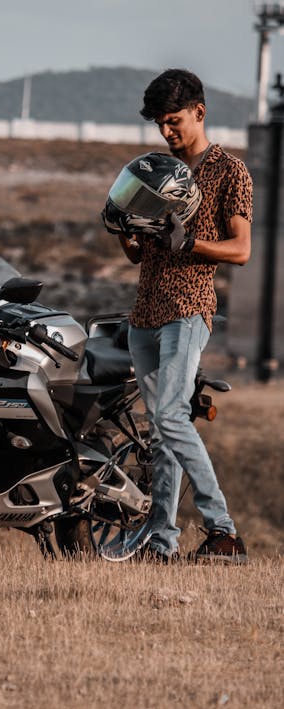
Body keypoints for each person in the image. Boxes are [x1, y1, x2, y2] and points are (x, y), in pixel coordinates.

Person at [103, 69, 253, 564]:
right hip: (144, 312)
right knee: (160, 434)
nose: (168, 132)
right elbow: (137, 255)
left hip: (189, 309)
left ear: (199, 112)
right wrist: (124, 231)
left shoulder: (231, 172)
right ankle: (162, 543)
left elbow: (241, 250)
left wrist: (190, 242)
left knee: (170, 416)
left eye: (175, 121)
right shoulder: (154, 171)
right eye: (160, 125)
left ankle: (224, 533)